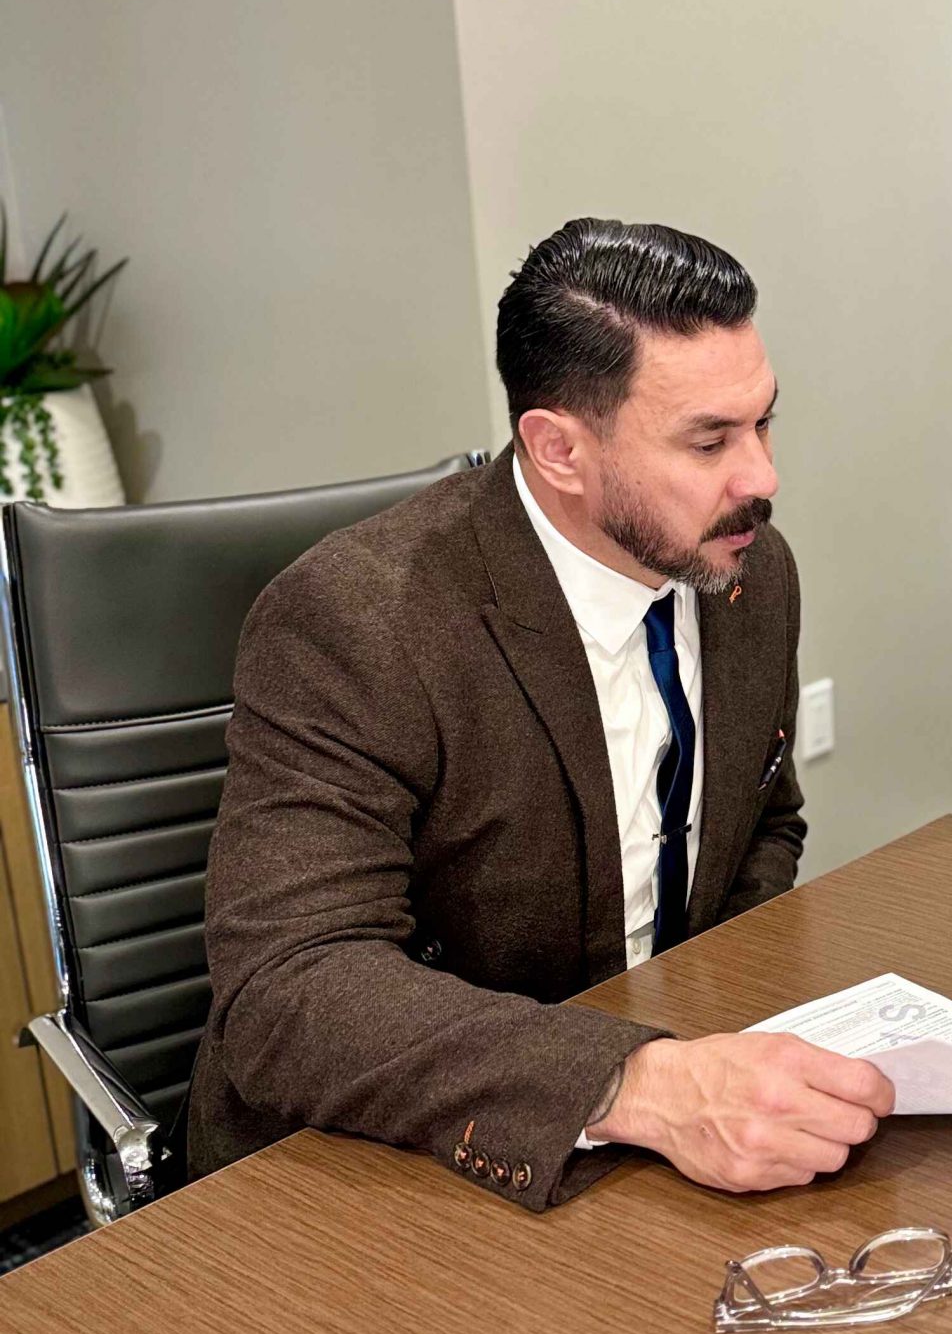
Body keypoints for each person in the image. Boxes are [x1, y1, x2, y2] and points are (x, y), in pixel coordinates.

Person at [189, 216, 893, 1206]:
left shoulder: (749, 571)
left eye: (763, 423)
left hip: (652, 1132)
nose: (763, 478)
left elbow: (763, 824)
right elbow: (288, 988)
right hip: (379, 1162)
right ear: (558, 449)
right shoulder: (354, 624)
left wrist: (709, 1032)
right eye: (710, 441)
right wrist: (636, 1083)